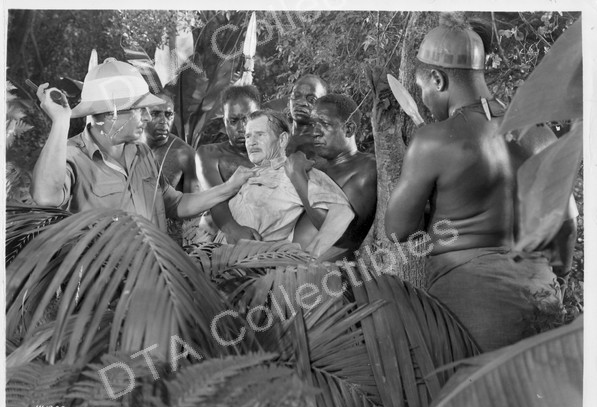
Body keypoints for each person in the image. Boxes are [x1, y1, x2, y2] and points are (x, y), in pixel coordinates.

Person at [384, 17, 575, 352]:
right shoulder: (539, 133)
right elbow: (567, 222)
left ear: (437, 79)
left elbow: (398, 231)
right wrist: (552, 278)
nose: (425, 100)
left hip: (472, 301)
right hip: (541, 291)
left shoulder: (434, 140)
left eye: (423, 89)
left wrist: (430, 208)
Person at [31, 58, 254, 232]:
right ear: (111, 114)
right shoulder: (73, 156)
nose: (147, 118)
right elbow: (45, 197)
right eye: (140, 110)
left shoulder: (142, 153)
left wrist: (229, 187)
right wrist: (61, 120)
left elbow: (176, 204)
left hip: (153, 273)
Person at [222, 109, 355, 257]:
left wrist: (311, 254)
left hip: (246, 263)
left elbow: (342, 213)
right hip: (212, 259)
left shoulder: (296, 172)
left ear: (282, 140)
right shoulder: (242, 176)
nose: (251, 142)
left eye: (260, 134)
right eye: (248, 136)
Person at [290, 94, 377, 255]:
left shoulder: (366, 168)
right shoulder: (317, 165)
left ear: (348, 129)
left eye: (324, 124)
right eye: (313, 124)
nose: (315, 132)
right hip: (288, 263)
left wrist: (297, 176)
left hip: (326, 268)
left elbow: (344, 238)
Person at [196, 85, 261, 243]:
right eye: (233, 121)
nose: (242, 128)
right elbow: (215, 196)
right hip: (213, 236)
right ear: (224, 121)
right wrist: (233, 230)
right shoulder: (209, 154)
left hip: (261, 234)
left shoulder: (273, 155)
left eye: (248, 119)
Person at [144, 92, 200, 194]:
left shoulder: (186, 155)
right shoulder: (126, 147)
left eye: (168, 115)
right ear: (143, 114)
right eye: (155, 114)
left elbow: (194, 200)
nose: (163, 121)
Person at [286, 74, 328, 159]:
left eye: (311, 100)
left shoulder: (322, 145)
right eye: (296, 96)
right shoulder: (277, 136)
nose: (301, 102)